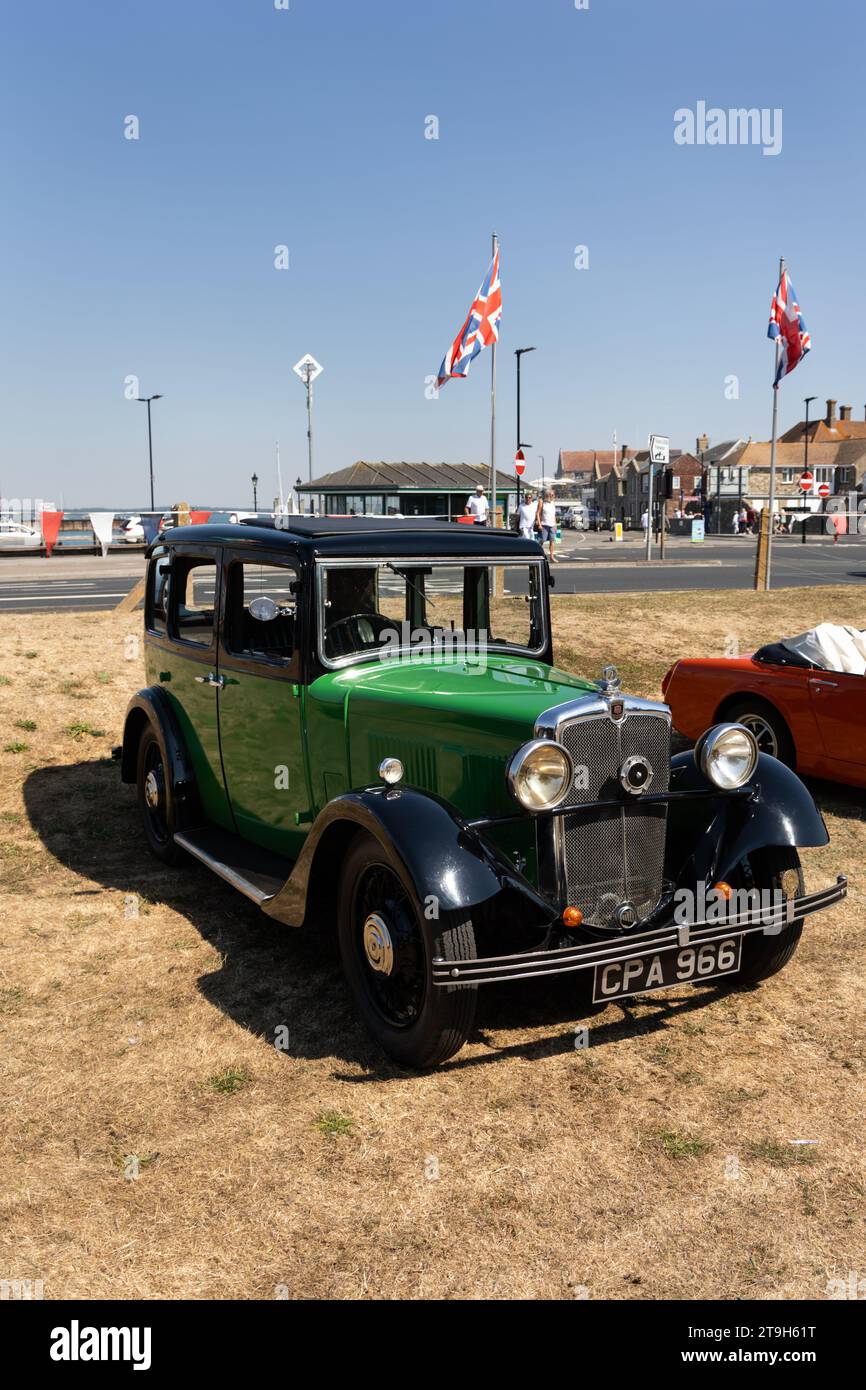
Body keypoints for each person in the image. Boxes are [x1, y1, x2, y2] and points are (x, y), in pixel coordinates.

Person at [536, 489, 558, 562]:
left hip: (552, 525)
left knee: (552, 541)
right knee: (542, 540)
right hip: (544, 524)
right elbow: (538, 514)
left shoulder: (553, 503)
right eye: (552, 495)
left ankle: (551, 557)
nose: (553, 496)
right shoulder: (542, 502)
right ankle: (537, 554)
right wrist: (539, 524)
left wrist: (555, 525)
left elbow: (553, 514)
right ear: (547, 495)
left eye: (553, 495)